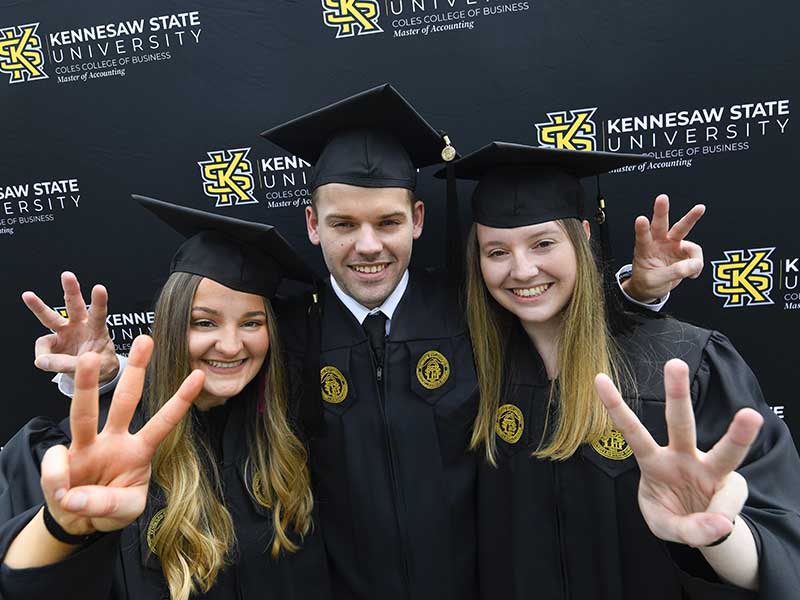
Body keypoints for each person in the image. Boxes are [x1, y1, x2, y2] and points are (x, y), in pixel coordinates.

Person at [25, 85, 704, 600]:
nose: (368, 245)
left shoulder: (478, 315)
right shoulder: (286, 334)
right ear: (313, 226)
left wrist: (637, 293)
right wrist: (99, 381)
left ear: (416, 219)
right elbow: (201, 403)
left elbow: (560, 324)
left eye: (386, 222)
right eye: (344, 224)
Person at [450, 141, 800, 599]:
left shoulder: (684, 364)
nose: (521, 269)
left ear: (584, 239)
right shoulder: (470, 368)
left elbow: (784, 547)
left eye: (543, 243)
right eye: (496, 251)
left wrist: (716, 533)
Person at [0, 196, 332, 599]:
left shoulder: (285, 433)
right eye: (204, 322)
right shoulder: (105, 448)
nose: (230, 345)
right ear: (172, 326)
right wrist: (62, 528)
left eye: (252, 322)